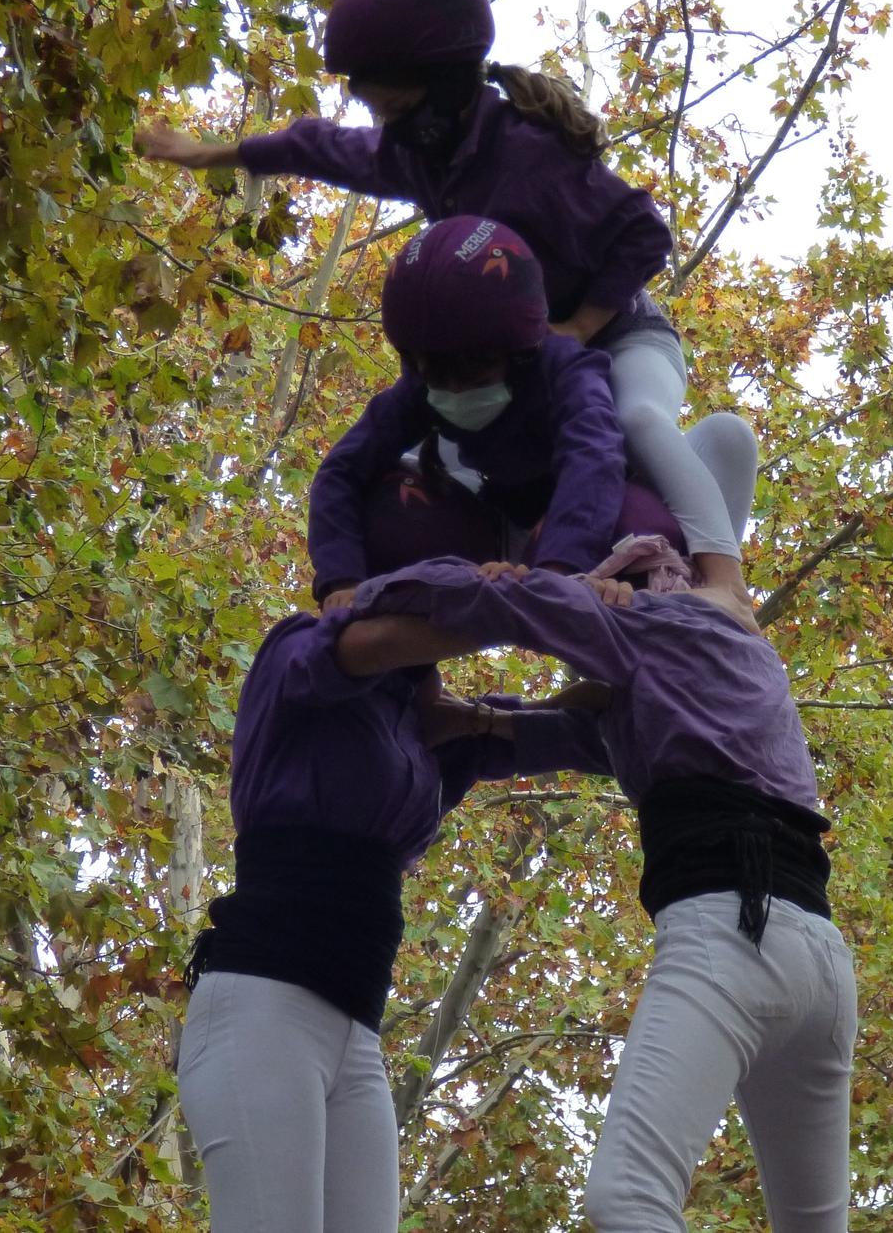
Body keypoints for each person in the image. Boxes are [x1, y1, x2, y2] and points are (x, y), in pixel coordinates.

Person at [136, 0, 754, 599]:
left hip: (619, 331)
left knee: (636, 420)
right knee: (436, 458)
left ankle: (724, 585)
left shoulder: (531, 159)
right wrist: (225, 153)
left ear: (446, 89)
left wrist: (581, 325)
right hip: (520, 354)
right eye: (379, 112)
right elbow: (328, 147)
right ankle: (518, 571)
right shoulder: (425, 154)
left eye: (397, 107)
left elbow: (646, 233)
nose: (386, 128)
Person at [332, 547, 858, 1232]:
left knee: (628, 1200)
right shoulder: (715, 665)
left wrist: (357, 598)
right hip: (821, 964)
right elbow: (563, 735)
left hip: (734, 935)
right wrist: (472, 718)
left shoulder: (653, 622)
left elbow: (512, 604)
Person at [175, 483, 612, 1233]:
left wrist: (661, 629)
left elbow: (586, 731)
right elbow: (376, 638)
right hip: (261, 1009)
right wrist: (527, 594)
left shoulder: (425, 733)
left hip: (354, 1033)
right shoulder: (301, 656)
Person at [306, 214, 626, 609]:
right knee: (395, 509)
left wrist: (561, 571)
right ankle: (406, 664)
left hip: (578, 520)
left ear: (518, 352)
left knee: (640, 524)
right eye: (438, 379)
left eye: (473, 378)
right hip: (496, 517)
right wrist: (342, 579)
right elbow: (340, 472)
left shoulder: (566, 371)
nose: (455, 392)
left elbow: (594, 457)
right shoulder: (416, 392)